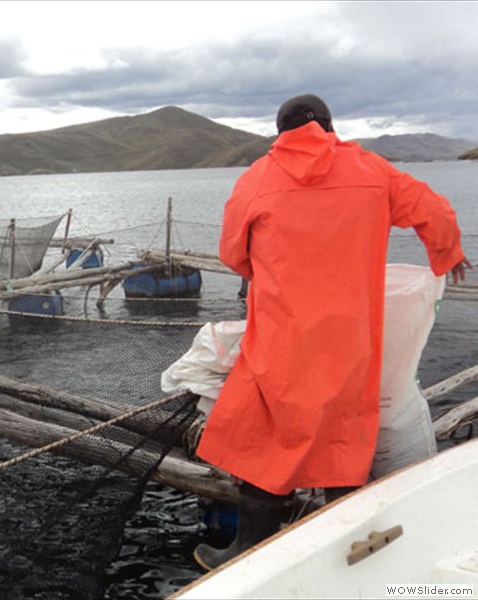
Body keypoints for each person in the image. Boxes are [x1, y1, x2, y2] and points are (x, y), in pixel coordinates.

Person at [193, 93, 472, 571]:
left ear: (280, 132)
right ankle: (348, 555)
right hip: (350, 340)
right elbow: (435, 210)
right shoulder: (372, 170)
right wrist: (447, 253)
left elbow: (231, 253)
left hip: (281, 338)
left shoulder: (257, 178)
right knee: (344, 439)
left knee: (267, 437)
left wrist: (269, 271)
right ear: (328, 126)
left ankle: (248, 552)